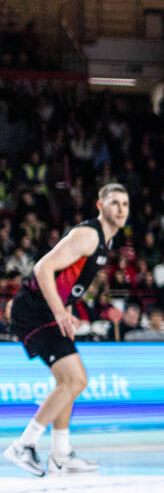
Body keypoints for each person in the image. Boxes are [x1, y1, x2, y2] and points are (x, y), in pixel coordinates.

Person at [3, 183, 130, 476]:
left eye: (124, 204)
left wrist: (68, 311)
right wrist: (60, 312)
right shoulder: (88, 235)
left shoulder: (105, 243)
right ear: (100, 206)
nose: (120, 209)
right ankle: (24, 445)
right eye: (114, 203)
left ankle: (60, 454)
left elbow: (67, 282)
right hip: (35, 311)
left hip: (49, 312)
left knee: (69, 381)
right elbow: (43, 269)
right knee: (75, 380)